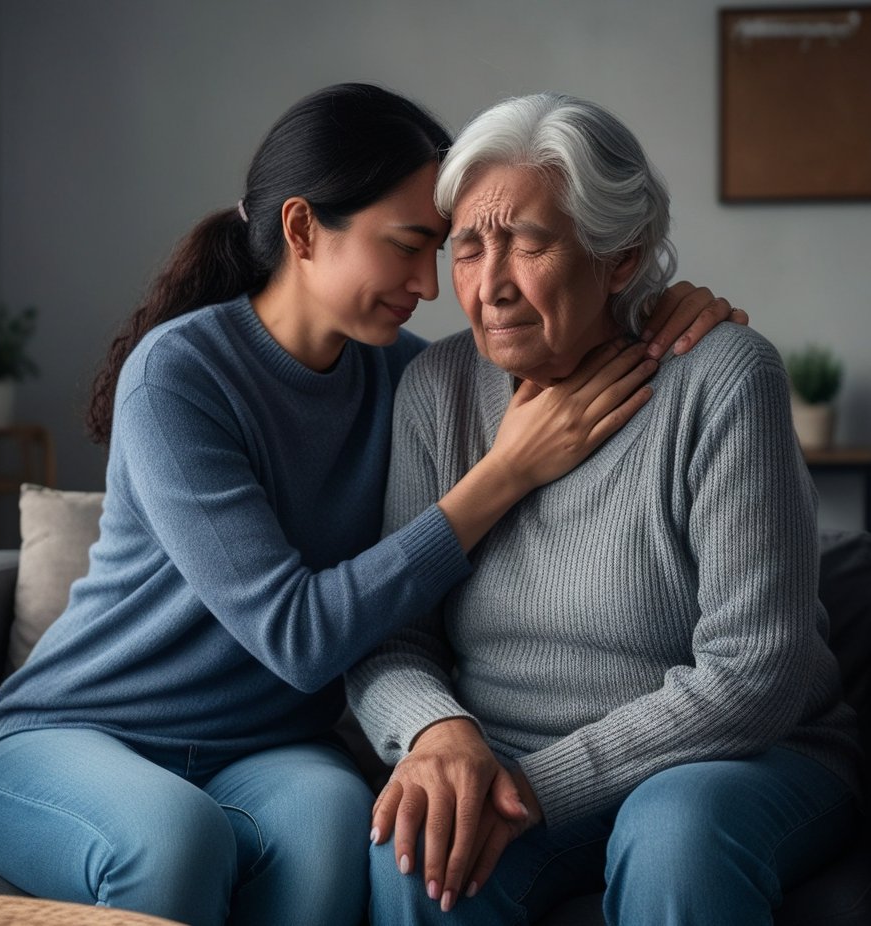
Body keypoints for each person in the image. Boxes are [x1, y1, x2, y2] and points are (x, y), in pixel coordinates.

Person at [0, 84, 741, 926]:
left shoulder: (410, 375)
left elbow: (578, 318)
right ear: (301, 230)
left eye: (438, 250)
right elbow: (298, 638)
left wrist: (668, 311)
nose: (431, 285)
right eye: (409, 247)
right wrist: (503, 474)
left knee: (344, 828)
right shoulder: (178, 376)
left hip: (265, 752)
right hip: (82, 735)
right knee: (175, 841)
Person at [347, 92, 863, 926]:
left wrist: (535, 785)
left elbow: (753, 676)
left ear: (619, 257)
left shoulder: (726, 379)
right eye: (470, 249)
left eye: (529, 243)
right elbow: (389, 634)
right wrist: (439, 736)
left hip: (736, 760)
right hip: (501, 755)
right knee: (416, 856)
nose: (493, 285)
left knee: (677, 835)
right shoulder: (435, 390)